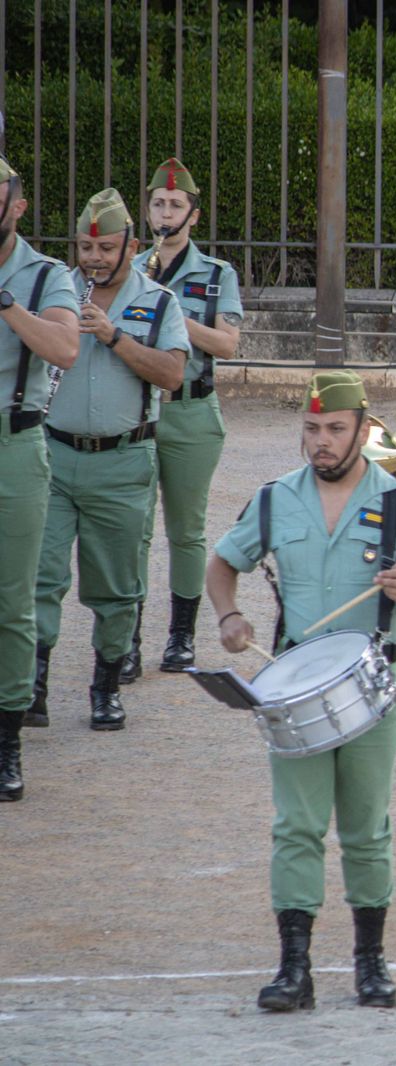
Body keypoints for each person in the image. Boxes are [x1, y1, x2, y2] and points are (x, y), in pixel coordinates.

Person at [206, 370, 396, 1012]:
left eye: (335, 429)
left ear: (363, 430)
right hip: (293, 692)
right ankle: (295, 967)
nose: (322, 441)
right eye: (312, 429)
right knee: (297, 827)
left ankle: (370, 962)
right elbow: (222, 562)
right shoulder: (274, 500)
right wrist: (230, 617)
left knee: (367, 830)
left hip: (373, 689)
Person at [34, 189, 186, 732]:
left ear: (132, 245)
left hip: (122, 463)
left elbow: (172, 375)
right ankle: (34, 685)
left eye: (105, 248)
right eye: (85, 247)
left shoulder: (159, 301)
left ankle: (105, 685)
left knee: (117, 586)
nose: (94, 258)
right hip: (52, 455)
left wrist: (114, 336)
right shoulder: (54, 290)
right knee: (39, 576)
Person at [124, 156, 244, 682]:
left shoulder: (216, 275)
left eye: (176, 204)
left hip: (193, 411)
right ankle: (124, 640)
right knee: (133, 529)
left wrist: (171, 311)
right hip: (140, 410)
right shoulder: (129, 268)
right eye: (158, 203)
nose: (165, 212)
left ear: (194, 214)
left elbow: (227, 342)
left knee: (187, 531)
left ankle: (180, 637)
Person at [0, 155, 81, 802]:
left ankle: (8, 741)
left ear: (17, 206)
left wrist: (4, 302)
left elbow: (64, 349)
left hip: (15, 444)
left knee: (11, 603)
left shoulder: (46, 275)